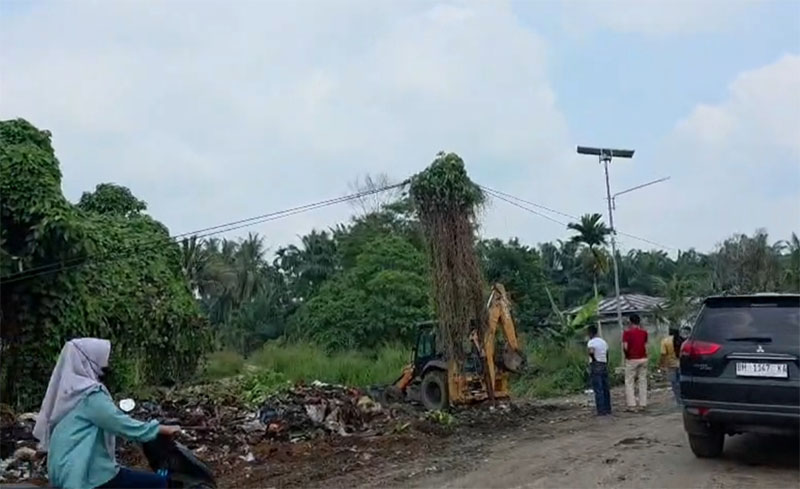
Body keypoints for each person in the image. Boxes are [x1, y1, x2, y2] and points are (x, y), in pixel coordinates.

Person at [33, 338, 181, 489]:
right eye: (103, 359)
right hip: (86, 475)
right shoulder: (90, 395)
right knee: (158, 483)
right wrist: (162, 429)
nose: (106, 364)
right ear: (90, 360)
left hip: (63, 470)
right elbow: (121, 424)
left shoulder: (68, 394)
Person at [622, 314, 649, 411]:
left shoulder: (627, 333)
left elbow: (625, 347)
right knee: (642, 381)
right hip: (643, 358)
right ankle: (643, 404)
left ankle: (632, 405)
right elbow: (646, 346)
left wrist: (627, 356)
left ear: (630, 321)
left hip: (632, 359)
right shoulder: (644, 333)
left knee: (629, 381)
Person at [586, 325, 611, 416]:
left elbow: (591, 352)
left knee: (598, 388)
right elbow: (607, 354)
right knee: (605, 387)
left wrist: (593, 359)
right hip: (604, 363)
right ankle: (608, 408)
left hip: (596, 364)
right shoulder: (603, 342)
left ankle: (601, 410)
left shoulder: (591, 342)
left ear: (590, 333)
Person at [660, 327, 682, 405]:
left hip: (671, 365)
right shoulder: (682, 339)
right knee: (681, 382)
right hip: (681, 364)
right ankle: (683, 399)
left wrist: (662, 364)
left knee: (674, 383)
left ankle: (678, 400)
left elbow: (663, 354)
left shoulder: (665, 341)